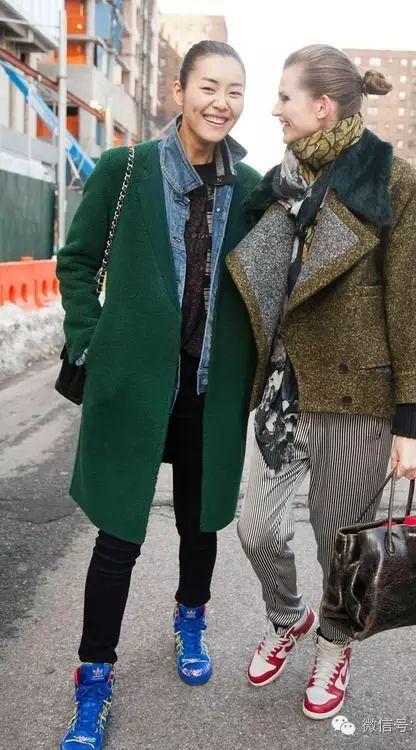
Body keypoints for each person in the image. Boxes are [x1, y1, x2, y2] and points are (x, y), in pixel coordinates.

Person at [56, 41, 260, 750]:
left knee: (200, 528)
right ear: (179, 91)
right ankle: (93, 677)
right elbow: (77, 262)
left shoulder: (250, 185)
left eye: (234, 91)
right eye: (208, 86)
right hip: (136, 390)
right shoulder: (126, 169)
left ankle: (189, 620)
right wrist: (89, 340)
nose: (220, 103)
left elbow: (266, 284)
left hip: (210, 391)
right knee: (118, 537)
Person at [226, 45, 416, 721]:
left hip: (356, 398)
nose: (273, 109)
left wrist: (410, 417)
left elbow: (411, 304)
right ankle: (289, 616)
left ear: (321, 106)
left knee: (340, 543)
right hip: (283, 393)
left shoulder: (390, 181)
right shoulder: (279, 185)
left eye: (284, 97)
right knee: (256, 530)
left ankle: (334, 644)